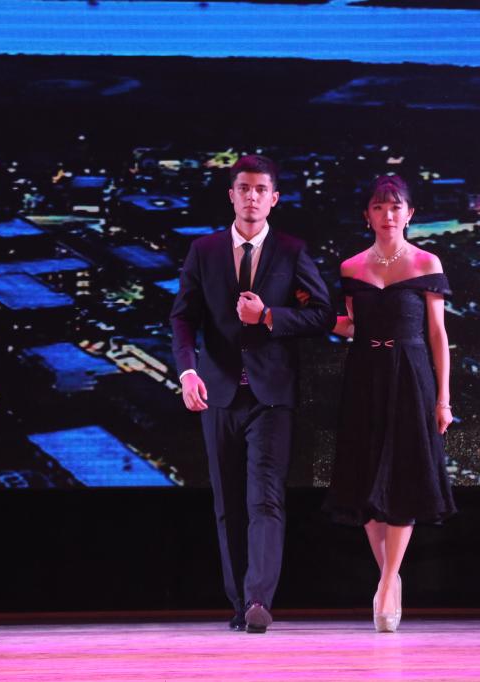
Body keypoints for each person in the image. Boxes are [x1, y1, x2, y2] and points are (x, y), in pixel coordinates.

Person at [170, 155, 333, 633]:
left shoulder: (292, 251)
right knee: (228, 504)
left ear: (274, 198)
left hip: (271, 396)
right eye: (244, 188)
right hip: (217, 392)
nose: (252, 196)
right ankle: (239, 603)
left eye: (261, 189)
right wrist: (187, 371)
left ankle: (260, 598)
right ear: (232, 195)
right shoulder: (204, 250)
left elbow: (323, 314)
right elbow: (183, 317)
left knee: (265, 499)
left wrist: (268, 316)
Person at [324, 175, 456, 633]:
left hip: (411, 375)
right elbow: (350, 326)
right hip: (364, 374)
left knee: (403, 476)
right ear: (368, 215)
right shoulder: (350, 267)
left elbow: (437, 334)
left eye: (396, 207)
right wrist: (305, 318)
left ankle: (385, 584)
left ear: (409, 214)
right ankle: (390, 579)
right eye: (379, 208)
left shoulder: (426, 262)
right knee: (365, 476)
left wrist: (443, 399)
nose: (388, 215)